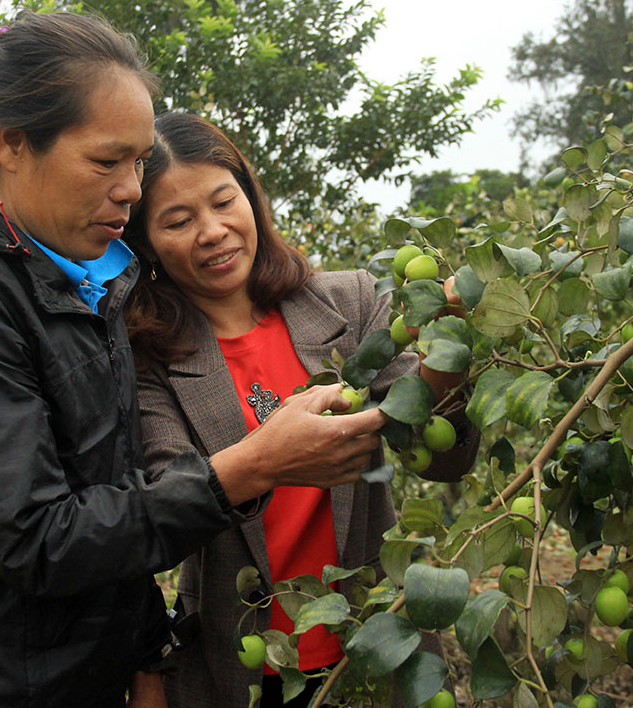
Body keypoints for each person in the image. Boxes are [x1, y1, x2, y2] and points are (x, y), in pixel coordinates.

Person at [0, 12, 386, 708]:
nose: (134, 189)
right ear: (13, 143)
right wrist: (254, 464)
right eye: (107, 161)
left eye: (137, 161)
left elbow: (111, 495)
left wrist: (146, 660)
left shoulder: (81, 288)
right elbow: (40, 541)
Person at [123, 113, 479, 708]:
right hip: (239, 665)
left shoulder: (353, 302)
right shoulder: (148, 359)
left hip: (374, 639)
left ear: (251, 199)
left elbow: (441, 455)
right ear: (148, 243)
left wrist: (447, 348)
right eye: (178, 220)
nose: (211, 231)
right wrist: (269, 458)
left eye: (222, 202)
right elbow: (169, 500)